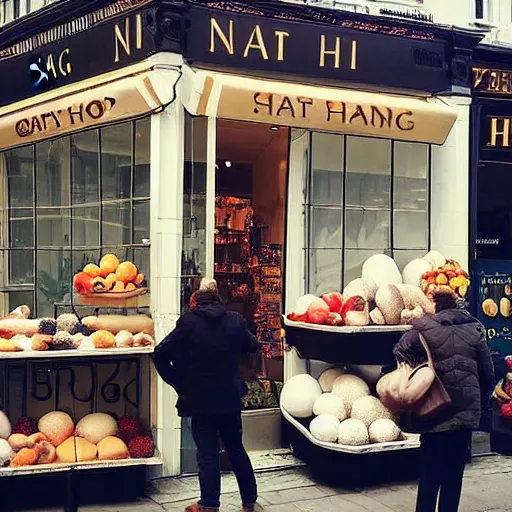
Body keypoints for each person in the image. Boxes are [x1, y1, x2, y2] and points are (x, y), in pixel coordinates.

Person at [153, 278, 260, 512]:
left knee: (208, 453)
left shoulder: (188, 323)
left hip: (200, 400)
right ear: (219, 297)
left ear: (195, 299)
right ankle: (249, 502)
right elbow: (254, 346)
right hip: (230, 398)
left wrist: (179, 382)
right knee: (236, 448)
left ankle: (209, 505)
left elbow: (160, 353)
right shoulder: (235, 321)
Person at [393, 288, 495, 512]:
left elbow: (399, 352)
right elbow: (488, 376)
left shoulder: (421, 329)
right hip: (463, 415)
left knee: (430, 474)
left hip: (433, 412)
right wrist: (477, 403)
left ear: (435, 306)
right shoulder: (474, 327)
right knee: (454, 475)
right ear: (456, 305)